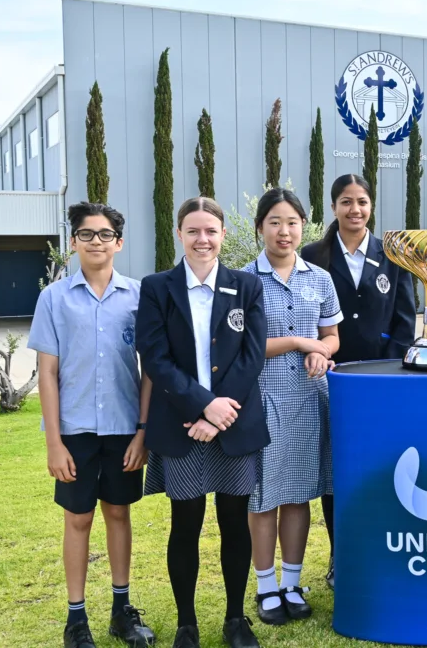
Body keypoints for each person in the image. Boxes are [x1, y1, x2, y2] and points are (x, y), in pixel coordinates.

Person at [137, 197, 269, 648]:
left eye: (210, 231)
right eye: (193, 231)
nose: (202, 239)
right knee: (186, 522)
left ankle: (235, 619)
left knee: (235, 521)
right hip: (182, 425)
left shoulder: (246, 286)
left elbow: (253, 356)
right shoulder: (157, 287)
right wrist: (200, 407)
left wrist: (219, 410)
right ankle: (186, 624)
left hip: (232, 423)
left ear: (223, 235)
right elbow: (155, 356)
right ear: (179, 234)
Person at [29, 202, 156, 648]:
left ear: (119, 243)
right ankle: (76, 619)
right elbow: (47, 372)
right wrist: (54, 443)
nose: (96, 241)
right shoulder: (54, 298)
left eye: (105, 234)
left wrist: (142, 432)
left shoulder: (140, 296)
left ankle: (122, 611)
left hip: (124, 428)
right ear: (73, 242)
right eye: (87, 234)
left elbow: (149, 370)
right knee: (78, 518)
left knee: (118, 513)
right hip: (75, 430)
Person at [300, 174, 415, 588]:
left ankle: (380, 548)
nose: (355, 210)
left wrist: (389, 370)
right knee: (338, 470)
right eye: (346, 202)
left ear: (371, 206)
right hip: (331, 380)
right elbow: (305, 317)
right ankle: (341, 554)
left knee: (381, 466)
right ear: (333, 207)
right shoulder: (313, 255)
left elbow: (404, 320)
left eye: (362, 202)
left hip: (382, 382)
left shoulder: (394, 255)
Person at [245, 189, 343, 626]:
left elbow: (332, 335)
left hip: (309, 398)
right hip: (261, 398)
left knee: (301, 493)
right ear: (259, 228)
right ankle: (265, 587)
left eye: (292, 223)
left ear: (304, 226)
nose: (284, 232)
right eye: (274, 222)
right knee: (265, 496)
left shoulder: (319, 278)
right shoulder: (242, 280)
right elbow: (244, 347)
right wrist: (303, 342)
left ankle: (292, 582)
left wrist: (322, 351)